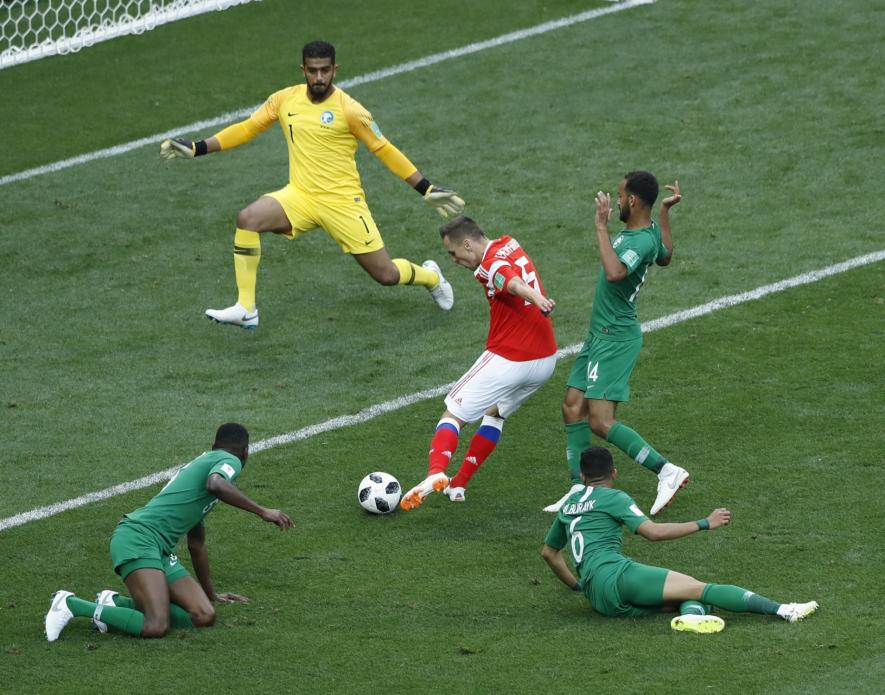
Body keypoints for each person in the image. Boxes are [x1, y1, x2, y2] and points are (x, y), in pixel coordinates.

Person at [159, 39, 465, 329]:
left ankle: (431, 277)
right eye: (312, 70)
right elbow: (248, 128)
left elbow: (384, 148)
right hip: (300, 196)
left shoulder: (350, 109)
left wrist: (425, 187)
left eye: (325, 70)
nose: (319, 77)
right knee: (247, 219)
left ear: (335, 70)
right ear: (303, 70)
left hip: (343, 204)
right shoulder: (284, 100)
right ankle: (246, 308)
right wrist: (199, 147)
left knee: (385, 274)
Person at [44, 423, 294, 641]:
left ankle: (115, 603)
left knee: (204, 615)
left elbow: (196, 545)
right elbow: (216, 484)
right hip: (138, 538)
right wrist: (263, 511)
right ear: (245, 451)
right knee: (156, 625)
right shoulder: (228, 461)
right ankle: (70, 603)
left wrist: (211, 594)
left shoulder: (203, 468)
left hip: (159, 549)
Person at [542, 446, 818, 633]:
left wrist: (578, 586)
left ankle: (693, 617)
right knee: (702, 588)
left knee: (684, 595)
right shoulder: (615, 497)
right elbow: (653, 532)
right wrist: (704, 523)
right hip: (616, 576)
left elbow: (550, 553)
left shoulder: (569, 505)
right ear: (614, 473)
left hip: (598, 597)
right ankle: (784, 610)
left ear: (582, 475)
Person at [545, 171, 687, 515]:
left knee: (600, 420)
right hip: (599, 335)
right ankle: (579, 489)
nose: (617, 200)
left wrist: (599, 227)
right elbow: (666, 255)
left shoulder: (638, 241)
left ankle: (667, 471)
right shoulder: (647, 231)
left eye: (621, 196)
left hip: (615, 338)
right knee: (571, 406)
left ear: (633, 201)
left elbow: (615, 273)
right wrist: (665, 213)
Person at [400, 216, 557, 510]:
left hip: (510, 357)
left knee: (453, 414)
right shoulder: (510, 243)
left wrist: (535, 297)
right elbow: (513, 273)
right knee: (494, 414)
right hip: (545, 360)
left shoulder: (489, 266)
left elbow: (510, 282)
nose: (455, 261)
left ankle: (435, 472)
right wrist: (535, 297)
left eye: (454, 253)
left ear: (468, 244)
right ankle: (458, 484)